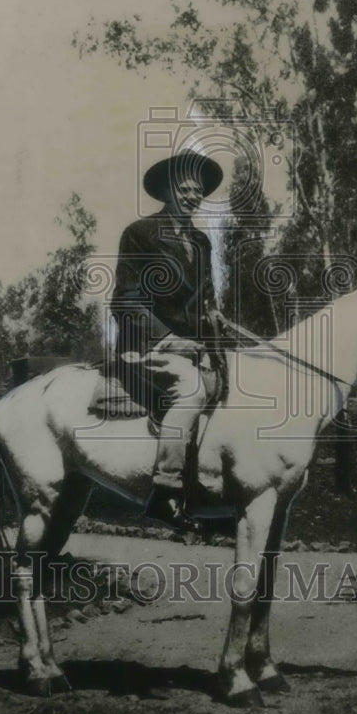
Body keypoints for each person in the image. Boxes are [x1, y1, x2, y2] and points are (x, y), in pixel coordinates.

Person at [111, 149, 228, 530]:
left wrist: (213, 314)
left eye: (198, 190)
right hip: (145, 348)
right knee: (190, 390)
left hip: (195, 349)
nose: (193, 196)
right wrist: (169, 340)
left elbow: (205, 297)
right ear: (165, 191)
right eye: (185, 188)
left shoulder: (201, 241)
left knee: (229, 387)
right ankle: (165, 491)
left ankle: (212, 491)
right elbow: (125, 301)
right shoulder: (139, 233)